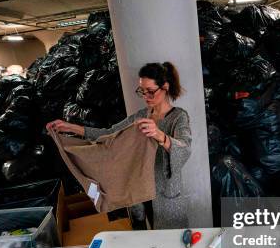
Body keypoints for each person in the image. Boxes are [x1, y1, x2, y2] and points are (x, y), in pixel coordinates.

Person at [46, 62, 192, 230]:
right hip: (138, 193)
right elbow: (109, 135)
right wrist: (71, 128)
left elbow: (185, 149)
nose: (146, 97)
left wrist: (159, 135)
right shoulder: (140, 117)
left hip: (166, 195)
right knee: (142, 239)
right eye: (142, 92)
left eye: (151, 92)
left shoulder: (178, 117)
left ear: (165, 87)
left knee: (171, 243)